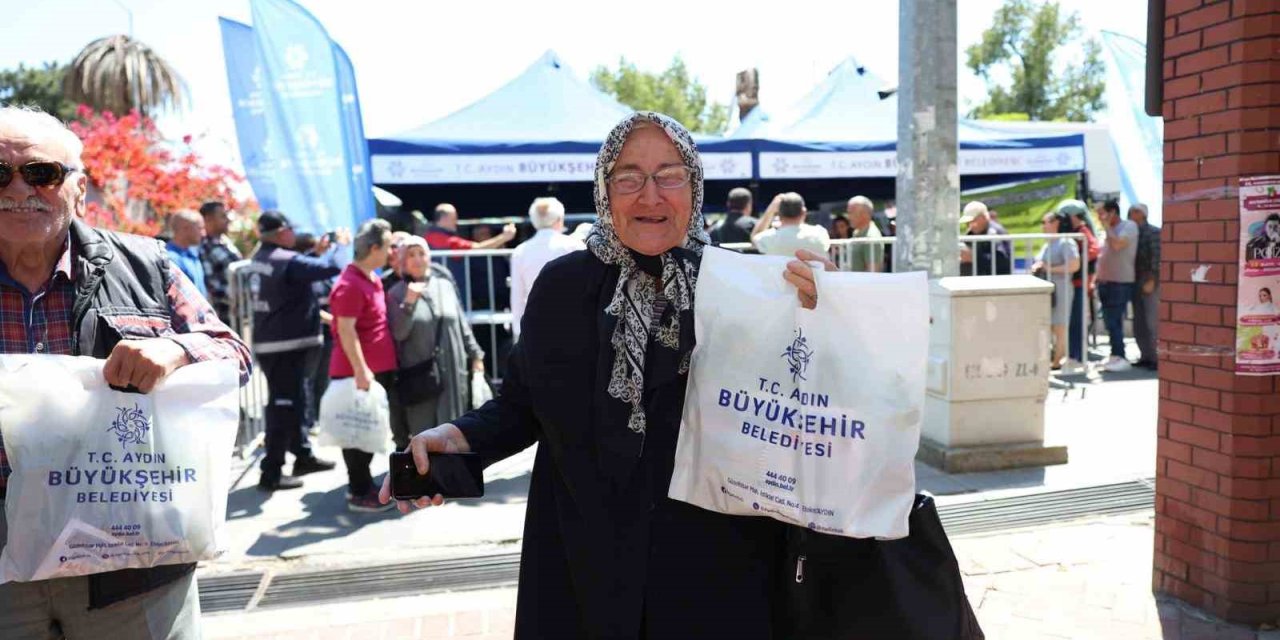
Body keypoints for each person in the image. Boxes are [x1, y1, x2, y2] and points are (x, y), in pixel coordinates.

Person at [379, 112, 836, 639]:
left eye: (669, 175)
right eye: (628, 178)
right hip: (583, 560)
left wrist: (825, 320)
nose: (649, 196)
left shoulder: (743, 287)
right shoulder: (562, 287)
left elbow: (806, 410)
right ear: (604, 189)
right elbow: (520, 406)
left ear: (695, 183)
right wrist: (455, 439)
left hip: (717, 565)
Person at [0, 105, 252, 639]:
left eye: (42, 173)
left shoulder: (146, 266)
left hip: (129, 551)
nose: (20, 188)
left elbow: (233, 354)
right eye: (0, 174)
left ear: (79, 189)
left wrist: (179, 351)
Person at [248, 211, 343, 491]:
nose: (294, 234)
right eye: (291, 229)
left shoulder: (262, 258)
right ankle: (272, 472)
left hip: (276, 344)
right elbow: (329, 268)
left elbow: (303, 266)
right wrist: (340, 246)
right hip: (286, 346)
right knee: (283, 407)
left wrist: (316, 250)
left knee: (296, 400)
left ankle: (302, 455)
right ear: (282, 232)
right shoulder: (286, 260)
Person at [329, 219, 399, 512]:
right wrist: (360, 369)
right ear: (373, 248)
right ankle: (359, 491)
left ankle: (363, 486)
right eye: (388, 246)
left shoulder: (370, 277)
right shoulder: (350, 283)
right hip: (358, 373)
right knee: (357, 434)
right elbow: (346, 329)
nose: (392, 251)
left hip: (372, 370)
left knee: (369, 431)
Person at [387, 237, 485, 440]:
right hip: (421, 378)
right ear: (403, 261)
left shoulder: (444, 285)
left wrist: (476, 355)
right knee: (425, 436)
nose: (417, 259)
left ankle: (456, 472)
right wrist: (409, 303)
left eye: (421, 253)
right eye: (411, 255)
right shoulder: (396, 293)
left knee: (456, 431)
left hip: (453, 374)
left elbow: (461, 323)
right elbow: (399, 333)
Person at [509, 197, 586, 339]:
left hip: (534, 326)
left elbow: (517, 297)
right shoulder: (574, 246)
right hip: (572, 323)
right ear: (559, 219)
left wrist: (517, 333)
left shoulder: (520, 251)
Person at [1095, 199, 1139, 372]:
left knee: (1114, 321)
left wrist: (1106, 226)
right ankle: (1115, 355)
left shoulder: (1129, 227)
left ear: (1113, 212)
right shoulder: (1106, 230)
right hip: (1105, 282)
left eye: (1102, 213)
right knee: (1109, 321)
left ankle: (1120, 355)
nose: (1099, 217)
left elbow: (1118, 245)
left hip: (1120, 282)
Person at [1033, 211, 1081, 370]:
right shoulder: (1047, 244)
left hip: (1061, 289)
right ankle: (1052, 358)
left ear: (1055, 223)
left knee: (1060, 325)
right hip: (1048, 290)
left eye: (1044, 222)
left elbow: (1074, 265)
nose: (1042, 226)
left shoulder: (1066, 242)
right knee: (1048, 325)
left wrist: (1050, 268)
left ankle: (1057, 361)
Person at [1129, 203, 1161, 369]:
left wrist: (1153, 280)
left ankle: (1156, 358)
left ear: (1143, 214)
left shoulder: (1153, 232)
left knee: (1152, 320)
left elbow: (1157, 257)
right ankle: (1145, 356)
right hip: (1135, 280)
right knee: (1139, 321)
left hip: (1149, 280)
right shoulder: (1132, 233)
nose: (1131, 214)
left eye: (1134, 211)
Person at [199, 200, 242, 323]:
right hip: (224, 317)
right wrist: (238, 297)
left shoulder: (225, 241)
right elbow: (212, 286)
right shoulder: (204, 248)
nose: (228, 219)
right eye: (223, 216)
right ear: (208, 219)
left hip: (238, 313)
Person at [751, 191, 831, 257]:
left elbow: (755, 236)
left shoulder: (769, 238)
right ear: (803, 212)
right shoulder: (819, 233)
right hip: (813, 276)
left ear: (779, 214)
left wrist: (771, 210)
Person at [959, 201, 1011, 275]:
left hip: (996, 281)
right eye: (967, 223)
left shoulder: (995, 232)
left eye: (972, 221)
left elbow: (1002, 261)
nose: (969, 225)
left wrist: (973, 257)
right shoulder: (972, 233)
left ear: (983, 217)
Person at [164, 209, 208, 298]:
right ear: (185, 228)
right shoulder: (170, 258)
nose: (204, 234)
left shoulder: (192, 254)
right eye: (200, 228)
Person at [846, 195, 884, 273]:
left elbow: (873, 272)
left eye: (851, 213)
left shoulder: (872, 237)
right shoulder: (857, 232)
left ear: (865, 214)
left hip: (861, 284)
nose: (848, 217)